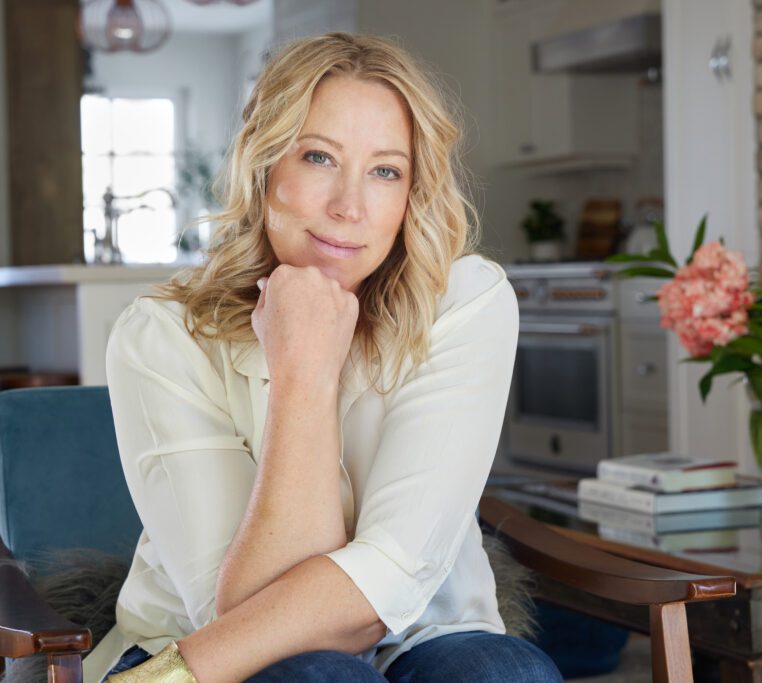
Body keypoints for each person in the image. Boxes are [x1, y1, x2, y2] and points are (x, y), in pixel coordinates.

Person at [86, 32, 561, 683]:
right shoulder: (163, 333)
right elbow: (243, 615)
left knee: (507, 675)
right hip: (210, 641)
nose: (349, 206)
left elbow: (394, 572)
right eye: (318, 157)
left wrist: (165, 679)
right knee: (324, 676)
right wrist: (303, 371)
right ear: (263, 166)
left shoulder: (464, 300)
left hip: (419, 631)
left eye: (386, 171)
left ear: (412, 193)